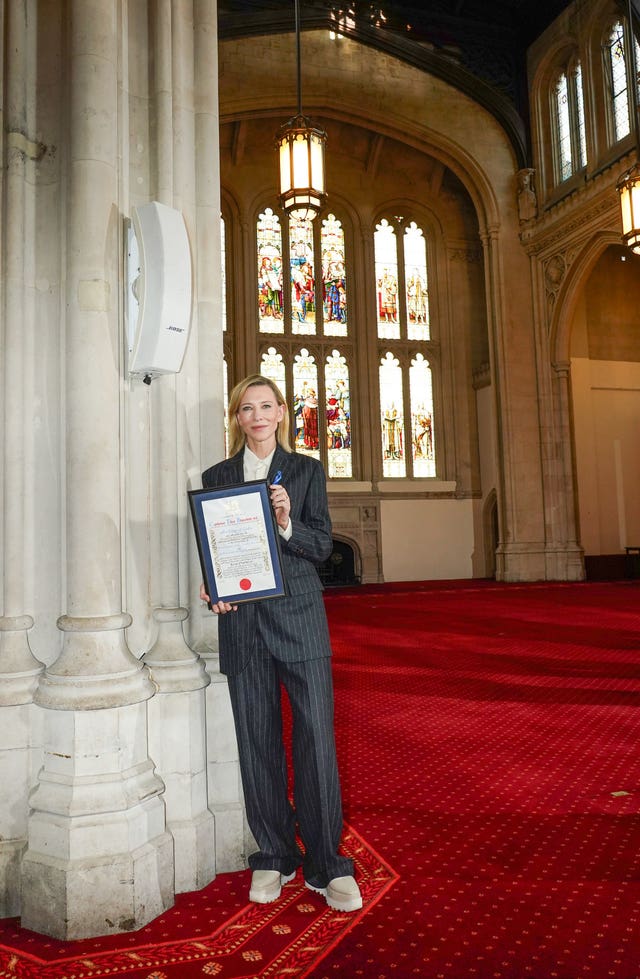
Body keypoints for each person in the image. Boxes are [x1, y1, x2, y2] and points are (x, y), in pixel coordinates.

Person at [200, 374, 362, 913]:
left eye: (266, 406)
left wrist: (288, 522)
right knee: (257, 741)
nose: (258, 416)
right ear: (236, 417)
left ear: (282, 413)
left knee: (316, 739)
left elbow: (321, 546)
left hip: (299, 619)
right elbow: (215, 547)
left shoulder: (307, 471)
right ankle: (274, 853)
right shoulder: (218, 477)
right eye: (247, 408)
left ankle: (327, 862)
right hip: (243, 623)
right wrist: (213, 585)